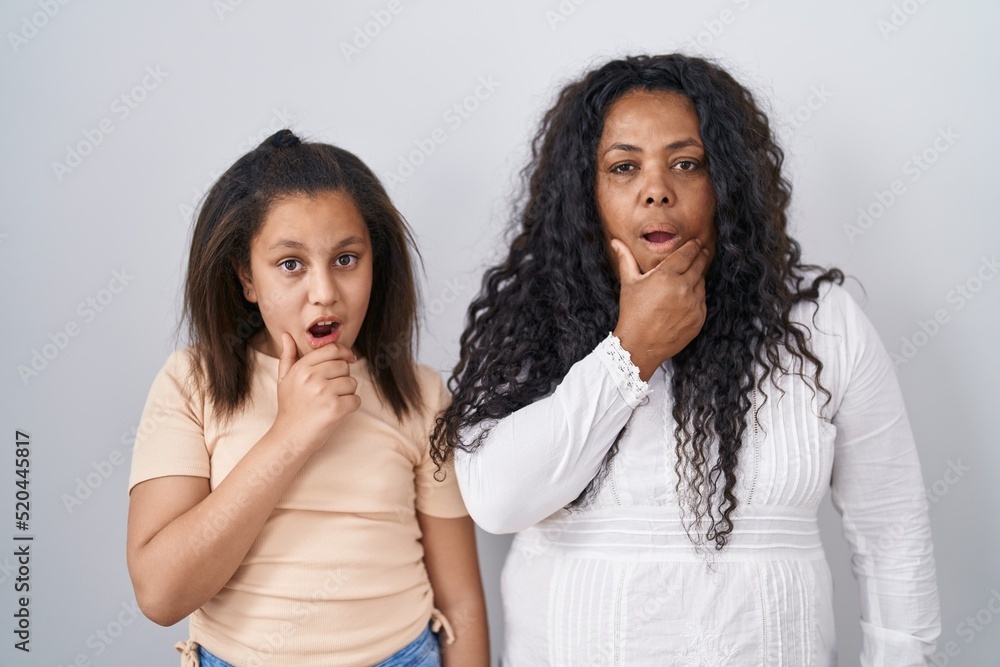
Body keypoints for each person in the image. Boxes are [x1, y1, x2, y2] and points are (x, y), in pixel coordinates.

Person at [432, 54, 939, 666]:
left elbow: (893, 533)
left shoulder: (822, 323)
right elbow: (497, 502)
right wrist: (631, 351)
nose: (657, 189)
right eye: (624, 167)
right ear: (583, 192)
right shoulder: (533, 319)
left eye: (686, 163)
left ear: (726, 181)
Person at [126, 129, 489, 667]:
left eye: (346, 259)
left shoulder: (418, 393)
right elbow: (161, 595)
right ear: (247, 276)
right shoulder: (192, 381)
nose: (324, 292)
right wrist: (291, 434)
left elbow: (460, 600)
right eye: (291, 264)